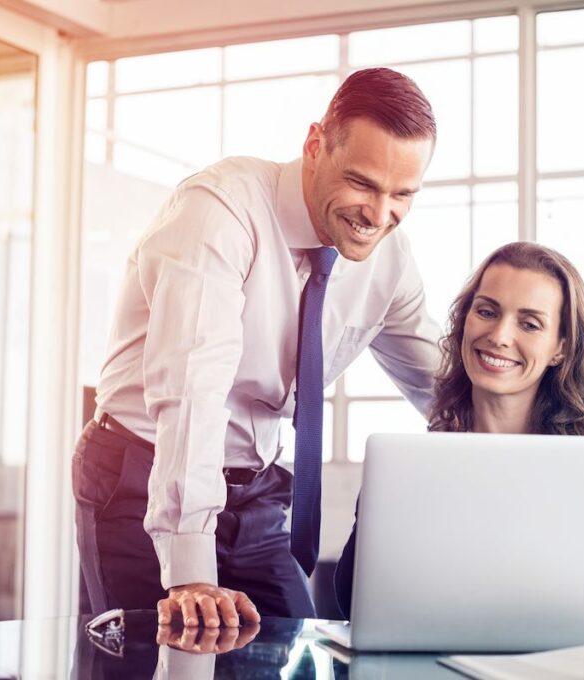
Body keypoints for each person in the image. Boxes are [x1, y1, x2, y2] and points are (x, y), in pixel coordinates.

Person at [72, 67, 442, 629]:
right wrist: (190, 574)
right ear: (315, 144)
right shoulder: (221, 209)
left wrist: (573, 442)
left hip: (256, 494)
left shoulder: (389, 260)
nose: (379, 214)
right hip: (140, 473)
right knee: (170, 655)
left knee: (299, 654)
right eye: (363, 183)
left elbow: (446, 390)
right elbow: (191, 391)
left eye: (403, 195)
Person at [333, 241, 584, 641]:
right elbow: (352, 600)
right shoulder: (416, 464)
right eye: (486, 311)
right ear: (465, 321)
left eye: (530, 323)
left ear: (560, 348)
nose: (499, 336)